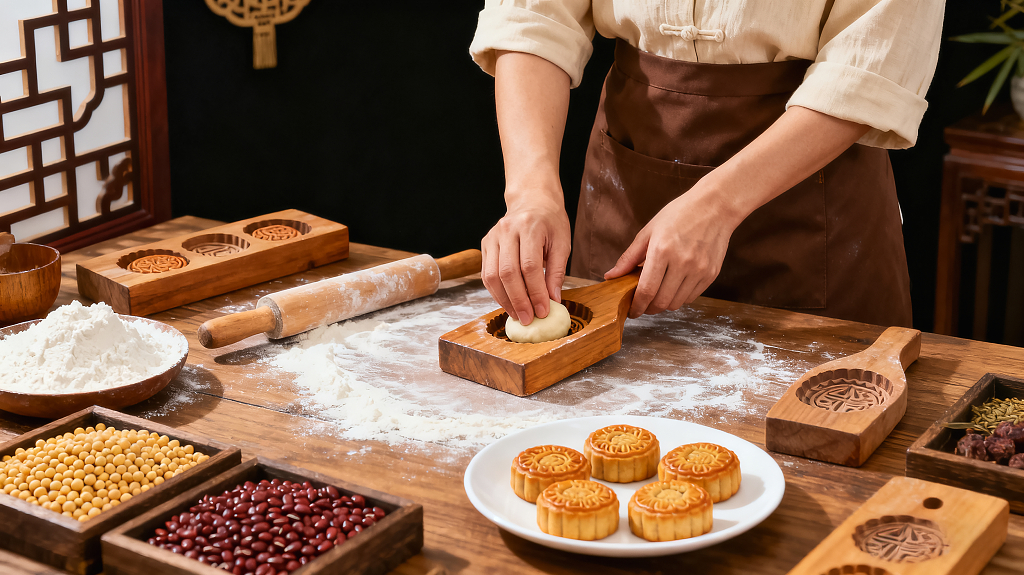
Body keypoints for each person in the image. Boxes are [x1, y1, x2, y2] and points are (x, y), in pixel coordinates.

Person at [468, 1, 944, 329]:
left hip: (813, 194)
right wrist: (531, 193)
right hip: (628, 175)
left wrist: (717, 207)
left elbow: (869, 67)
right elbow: (533, 18)